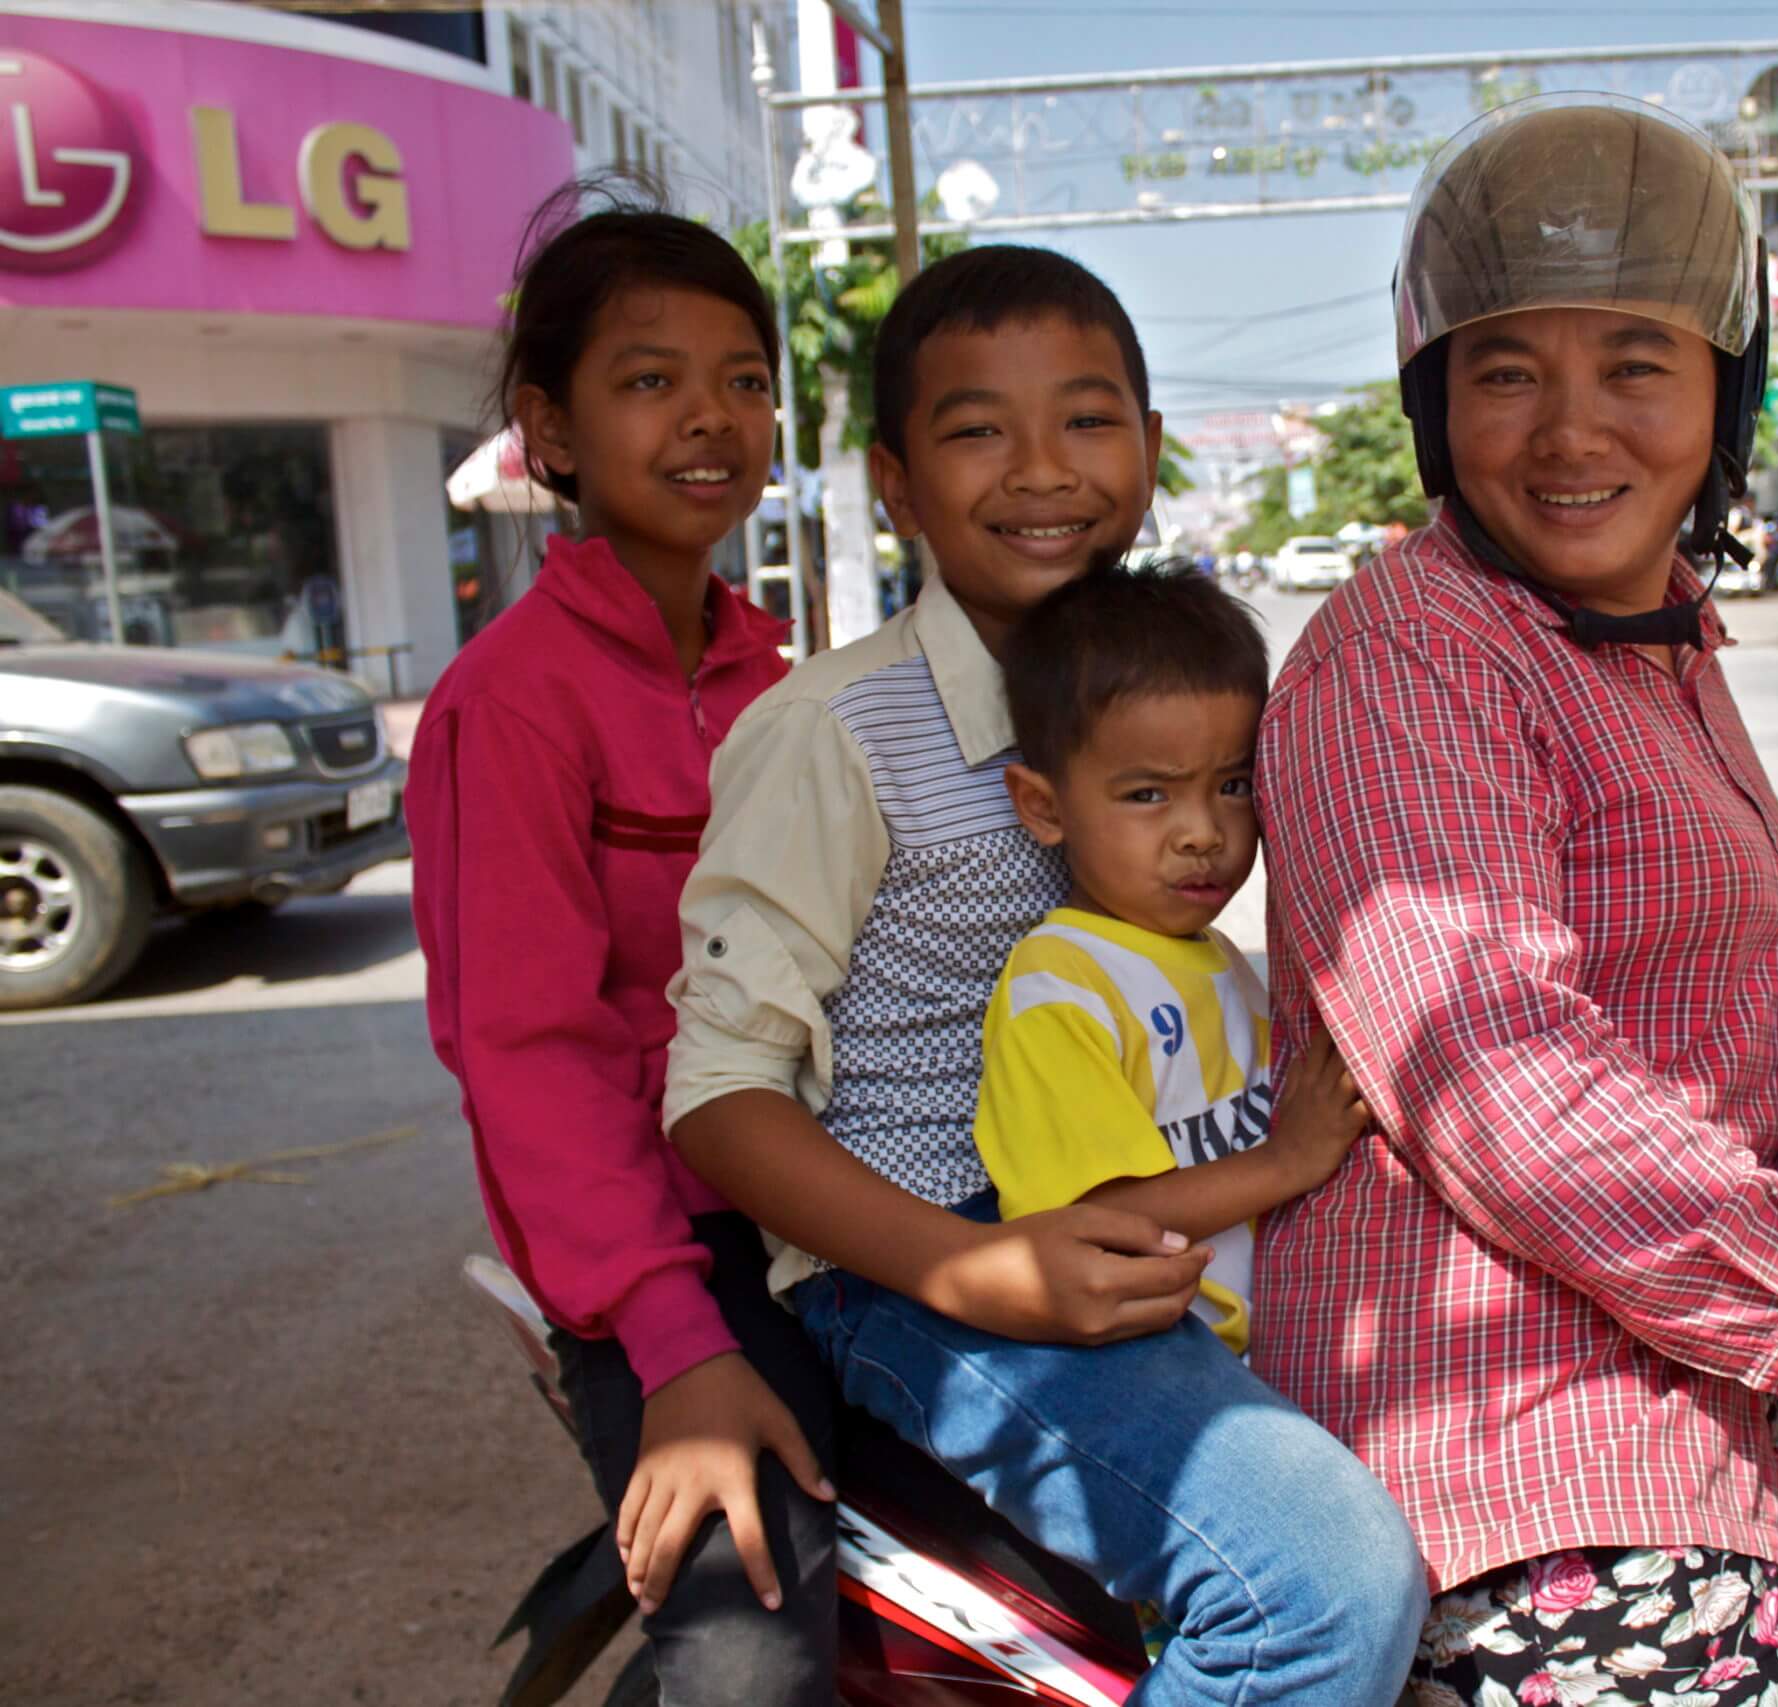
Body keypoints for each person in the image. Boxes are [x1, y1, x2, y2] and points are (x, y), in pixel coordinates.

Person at [1252, 94, 1778, 1707]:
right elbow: (1497, 1068)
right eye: (1507, 372)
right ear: (1439, 407)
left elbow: (1603, 959)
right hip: (1518, 1428)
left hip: (1707, 1365)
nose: (1571, 431)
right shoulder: (1406, 658)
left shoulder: (1644, 632)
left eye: (1634, 365)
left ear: (1725, 392)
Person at [658, 244, 1428, 1706]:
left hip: (1160, 1196)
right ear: (892, 480)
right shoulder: (836, 730)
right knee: (1322, 1582)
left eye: (1086, 418)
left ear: (1148, 443)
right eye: (974, 430)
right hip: (924, 1257)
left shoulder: (1195, 680)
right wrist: (969, 1266)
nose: (1041, 470)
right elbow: (717, 1089)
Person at [407, 195, 838, 1703]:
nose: (712, 417)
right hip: (669, 1250)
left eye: (741, 377)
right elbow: (526, 1053)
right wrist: (677, 1344)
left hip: (832, 1198)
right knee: (756, 1642)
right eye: (651, 380)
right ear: (553, 429)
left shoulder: (782, 673)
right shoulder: (509, 702)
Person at [976, 564, 1370, 1359]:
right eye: (1149, 795)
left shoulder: (1219, 957)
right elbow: (1110, 1222)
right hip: (1155, 1360)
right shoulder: (1062, 987)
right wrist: (1289, 1158)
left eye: (1232, 784)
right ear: (1043, 806)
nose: (1202, 832)